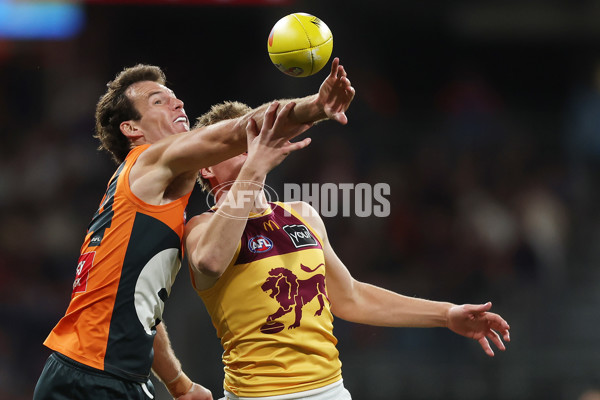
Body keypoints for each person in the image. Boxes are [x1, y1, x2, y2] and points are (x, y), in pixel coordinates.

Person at [33, 58, 355, 400]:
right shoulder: (148, 159)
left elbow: (142, 310)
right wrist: (316, 106)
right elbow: (237, 131)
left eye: (175, 97)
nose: (178, 102)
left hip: (105, 373)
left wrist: (179, 385)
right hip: (92, 377)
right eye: (158, 101)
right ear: (132, 129)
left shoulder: (149, 205)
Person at [184, 101, 511, 399]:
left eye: (252, 140)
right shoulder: (200, 229)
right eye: (237, 144)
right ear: (206, 167)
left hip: (330, 391)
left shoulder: (302, 214)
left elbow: (351, 296)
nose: (250, 150)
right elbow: (210, 262)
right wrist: (253, 167)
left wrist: (445, 314)